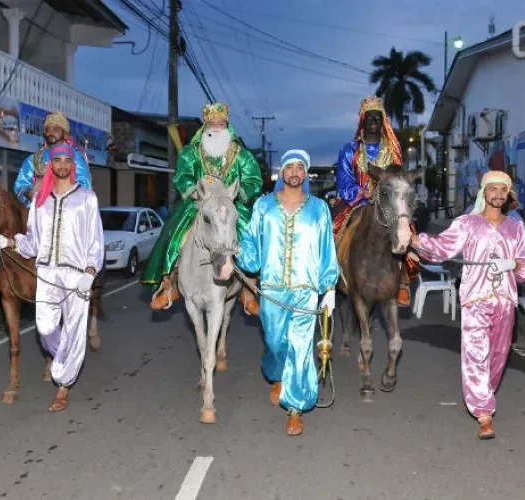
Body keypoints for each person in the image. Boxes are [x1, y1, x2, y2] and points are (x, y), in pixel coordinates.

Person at [410, 170, 525, 440]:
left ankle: (483, 393)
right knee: (476, 356)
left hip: (505, 300)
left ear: (508, 195)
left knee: (498, 358)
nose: (498, 195)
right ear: (484, 192)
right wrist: (415, 240)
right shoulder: (467, 223)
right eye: (493, 189)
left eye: (504, 190)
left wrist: (514, 264)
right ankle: (484, 413)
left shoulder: (516, 227)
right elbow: (442, 248)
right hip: (475, 300)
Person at [0, 143, 105, 413]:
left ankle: (63, 386)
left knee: (74, 330)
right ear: (51, 165)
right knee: (45, 329)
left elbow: (96, 240)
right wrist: (6, 241)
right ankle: (65, 359)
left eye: (66, 161)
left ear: (73, 166)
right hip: (47, 274)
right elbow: (32, 244)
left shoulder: (87, 198)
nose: (62, 165)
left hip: (76, 277)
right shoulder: (40, 201)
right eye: (57, 161)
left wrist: (90, 271)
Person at [236, 149, 339, 436]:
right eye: (289, 167)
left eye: (300, 168)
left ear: (305, 174)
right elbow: (251, 245)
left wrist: (329, 286)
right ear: (282, 173)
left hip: (306, 290)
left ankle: (295, 408)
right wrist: (236, 252)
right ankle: (276, 374)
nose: (295, 172)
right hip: (271, 290)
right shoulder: (263, 206)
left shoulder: (319, 208)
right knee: (276, 343)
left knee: (301, 348)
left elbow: (326, 249)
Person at [142, 102, 263, 314]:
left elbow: (253, 178)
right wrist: (193, 190)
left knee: (248, 232)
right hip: (199, 203)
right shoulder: (191, 152)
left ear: (227, 125)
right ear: (205, 126)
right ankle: (170, 282)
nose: (216, 126)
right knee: (174, 231)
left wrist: (238, 193)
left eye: (220, 123)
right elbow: (183, 175)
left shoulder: (242, 155)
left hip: (230, 203)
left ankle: (248, 286)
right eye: (212, 123)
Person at [0, 111, 93, 293]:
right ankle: (4, 273)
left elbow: (85, 184)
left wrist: (58, 193)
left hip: (66, 211)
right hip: (35, 210)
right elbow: (20, 184)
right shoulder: (34, 159)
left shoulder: (74, 157)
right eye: (48, 129)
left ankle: (86, 272)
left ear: (64, 132)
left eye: (56, 128)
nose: (51, 132)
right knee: (12, 226)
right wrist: (30, 194)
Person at [332, 95, 420, 307]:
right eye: (369, 116)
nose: (373, 120)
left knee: (405, 230)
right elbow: (344, 181)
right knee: (332, 227)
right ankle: (331, 273)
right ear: (362, 120)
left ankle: (402, 284)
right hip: (357, 202)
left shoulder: (392, 150)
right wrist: (360, 192)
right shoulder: (349, 151)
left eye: (377, 117)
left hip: (387, 203)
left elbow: (399, 178)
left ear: (383, 121)